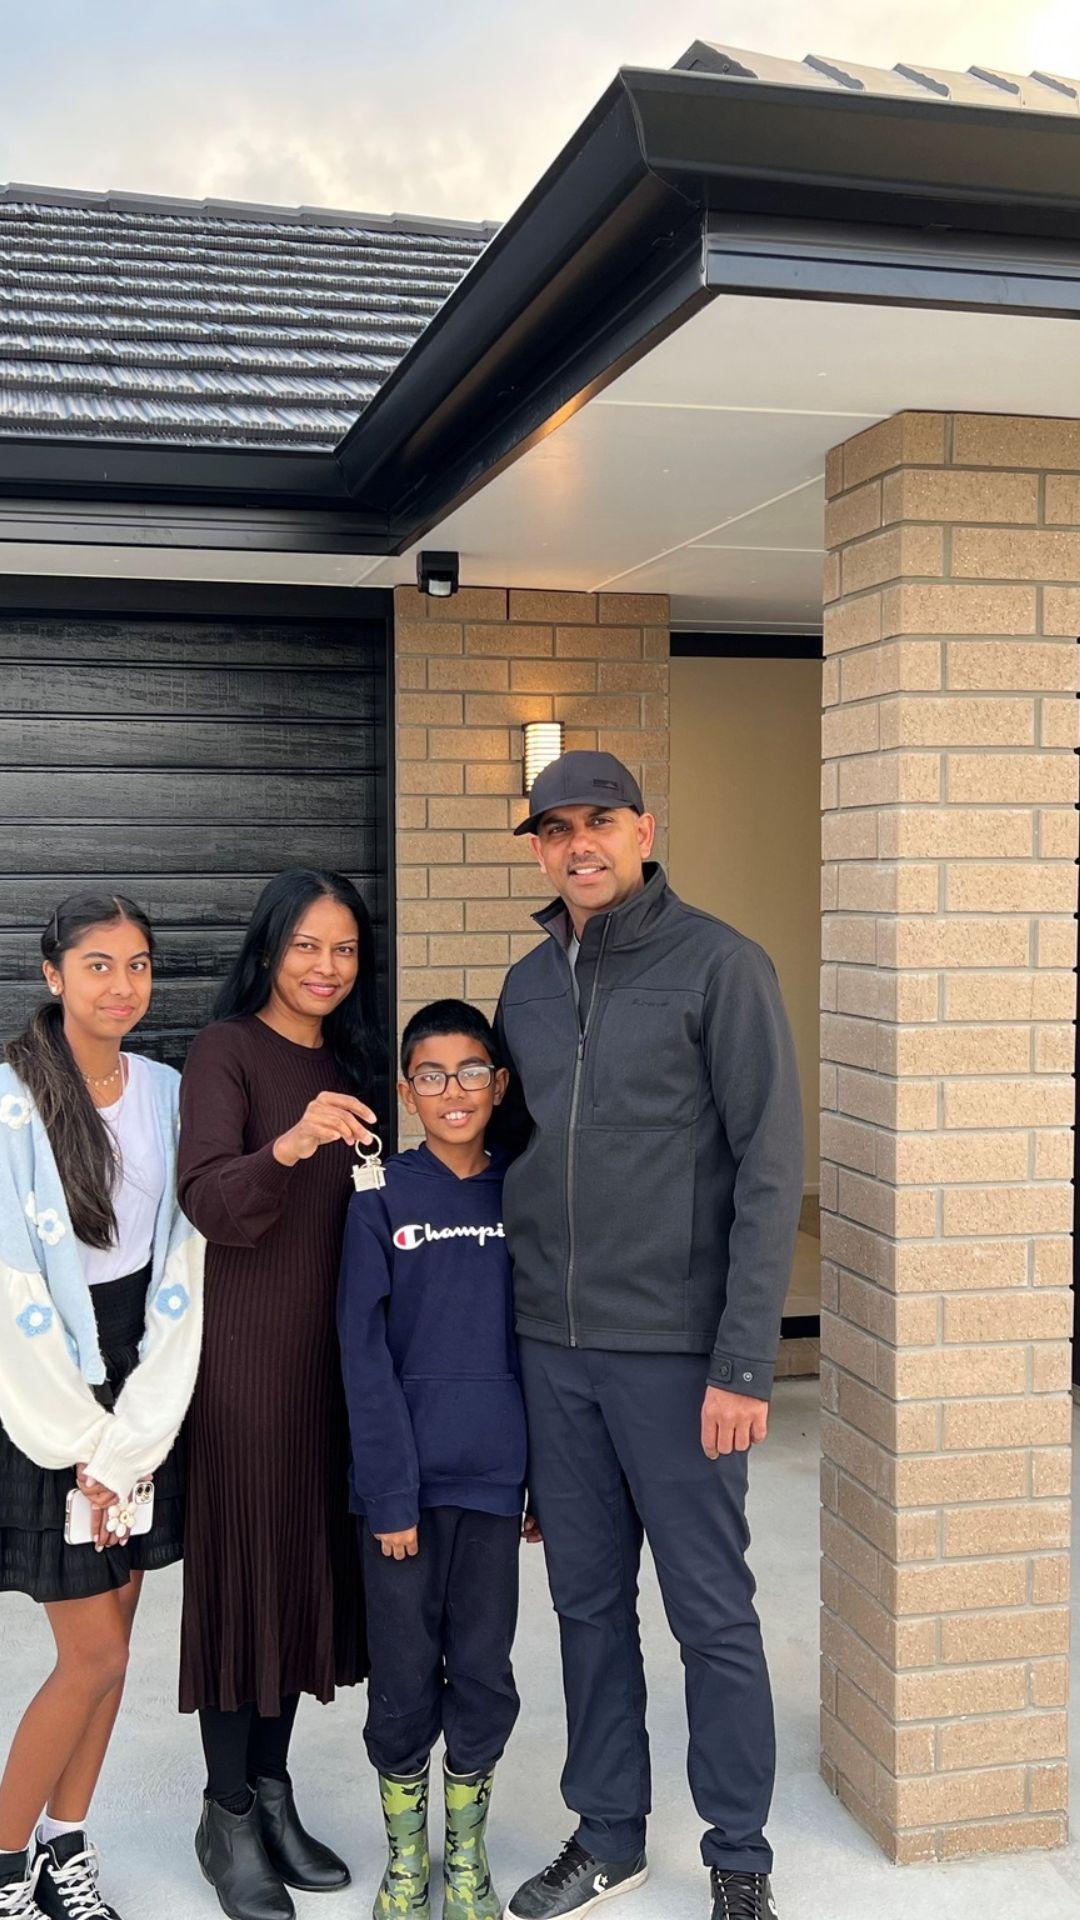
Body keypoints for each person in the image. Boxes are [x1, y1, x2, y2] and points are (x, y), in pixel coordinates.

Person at [494, 752, 803, 1920]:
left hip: (677, 1358)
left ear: (643, 829)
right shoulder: (528, 985)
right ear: (538, 848)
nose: (579, 844)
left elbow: (769, 1168)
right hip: (554, 1352)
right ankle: (609, 1834)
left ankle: (740, 1855)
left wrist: (742, 1362)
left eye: (601, 821)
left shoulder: (721, 965)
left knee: (711, 1614)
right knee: (585, 1607)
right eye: (556, 829)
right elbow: (518, 1159)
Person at [177, 870, 382, 1920]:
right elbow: (210, 1197)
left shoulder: (351, 1064)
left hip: (329, 1368)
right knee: (244, 1582)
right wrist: (292, 1143)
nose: (325, 967)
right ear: (268, 948)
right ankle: (225, 1814)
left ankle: (269, 1792)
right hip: (246, 1366)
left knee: (297, 1579)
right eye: (306, 945)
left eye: (343, 948)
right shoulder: (226, 1052)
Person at [0, 892, 204, 1920]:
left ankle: (63, 1847)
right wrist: (86, 1439)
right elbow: (8, 1293)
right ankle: (3, 1870)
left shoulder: (168, 1091)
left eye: (138, 965)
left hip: (146, 1377)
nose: (122, 986)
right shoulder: (10, 1103)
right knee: (94, 1654)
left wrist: (139, 1425)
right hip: (46, 1385)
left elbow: (187, 1252)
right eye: (97, 965)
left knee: (118, 1637)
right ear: (53, 975)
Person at [338, 999, 527, 1920]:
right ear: (407, 1092)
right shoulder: (379, 1198)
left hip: (493, 1482)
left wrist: (541, 1480)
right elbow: (361, 1352)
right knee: (405, 1674)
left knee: (484, 1670)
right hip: (401, 1496)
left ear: (500, 1084)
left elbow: (540, 1345)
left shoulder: (521, 1194)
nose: (455, 1091)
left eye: (472, 1072)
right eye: (432, 1075)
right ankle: (407, 1859)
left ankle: (467, 1852)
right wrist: (388, 1493)